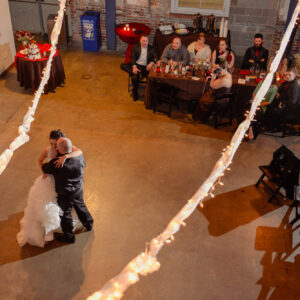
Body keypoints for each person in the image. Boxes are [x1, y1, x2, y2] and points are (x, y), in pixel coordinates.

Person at [17, 130, 83, 247]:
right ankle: (48, 230)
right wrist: (43, 172)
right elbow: (40, 160)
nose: (53, 146)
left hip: (61, 182)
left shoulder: (65, 146)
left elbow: (79, 152)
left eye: (55, 143)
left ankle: (57, 225)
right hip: (49, 180)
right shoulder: (47, 150)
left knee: (59, 204)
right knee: (45, 204)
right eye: (51, 143)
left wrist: (66, 156)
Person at [42, 137, 94, 243]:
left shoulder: (57, 163)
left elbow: (45, 167)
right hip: (78, 187)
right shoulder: (79, 156)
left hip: (65, 192)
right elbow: (83, 163)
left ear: (60, 150)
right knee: (80, 205)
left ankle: (69, 236)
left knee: (65, 214)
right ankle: (89, 224)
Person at [130, 35, 156, 101]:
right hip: (138, 65)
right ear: (140, 41)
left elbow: (156, 57)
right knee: (134, 78)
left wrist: (151, 63)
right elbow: (132, 57)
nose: (145, 43)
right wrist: (134, 67)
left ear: (148, 41)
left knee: (152, 79)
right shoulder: (135, 47)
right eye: (143, 41)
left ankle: (150, 95)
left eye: (146, 41)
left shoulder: (151, 48)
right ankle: (135, 93)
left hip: (147, 66)